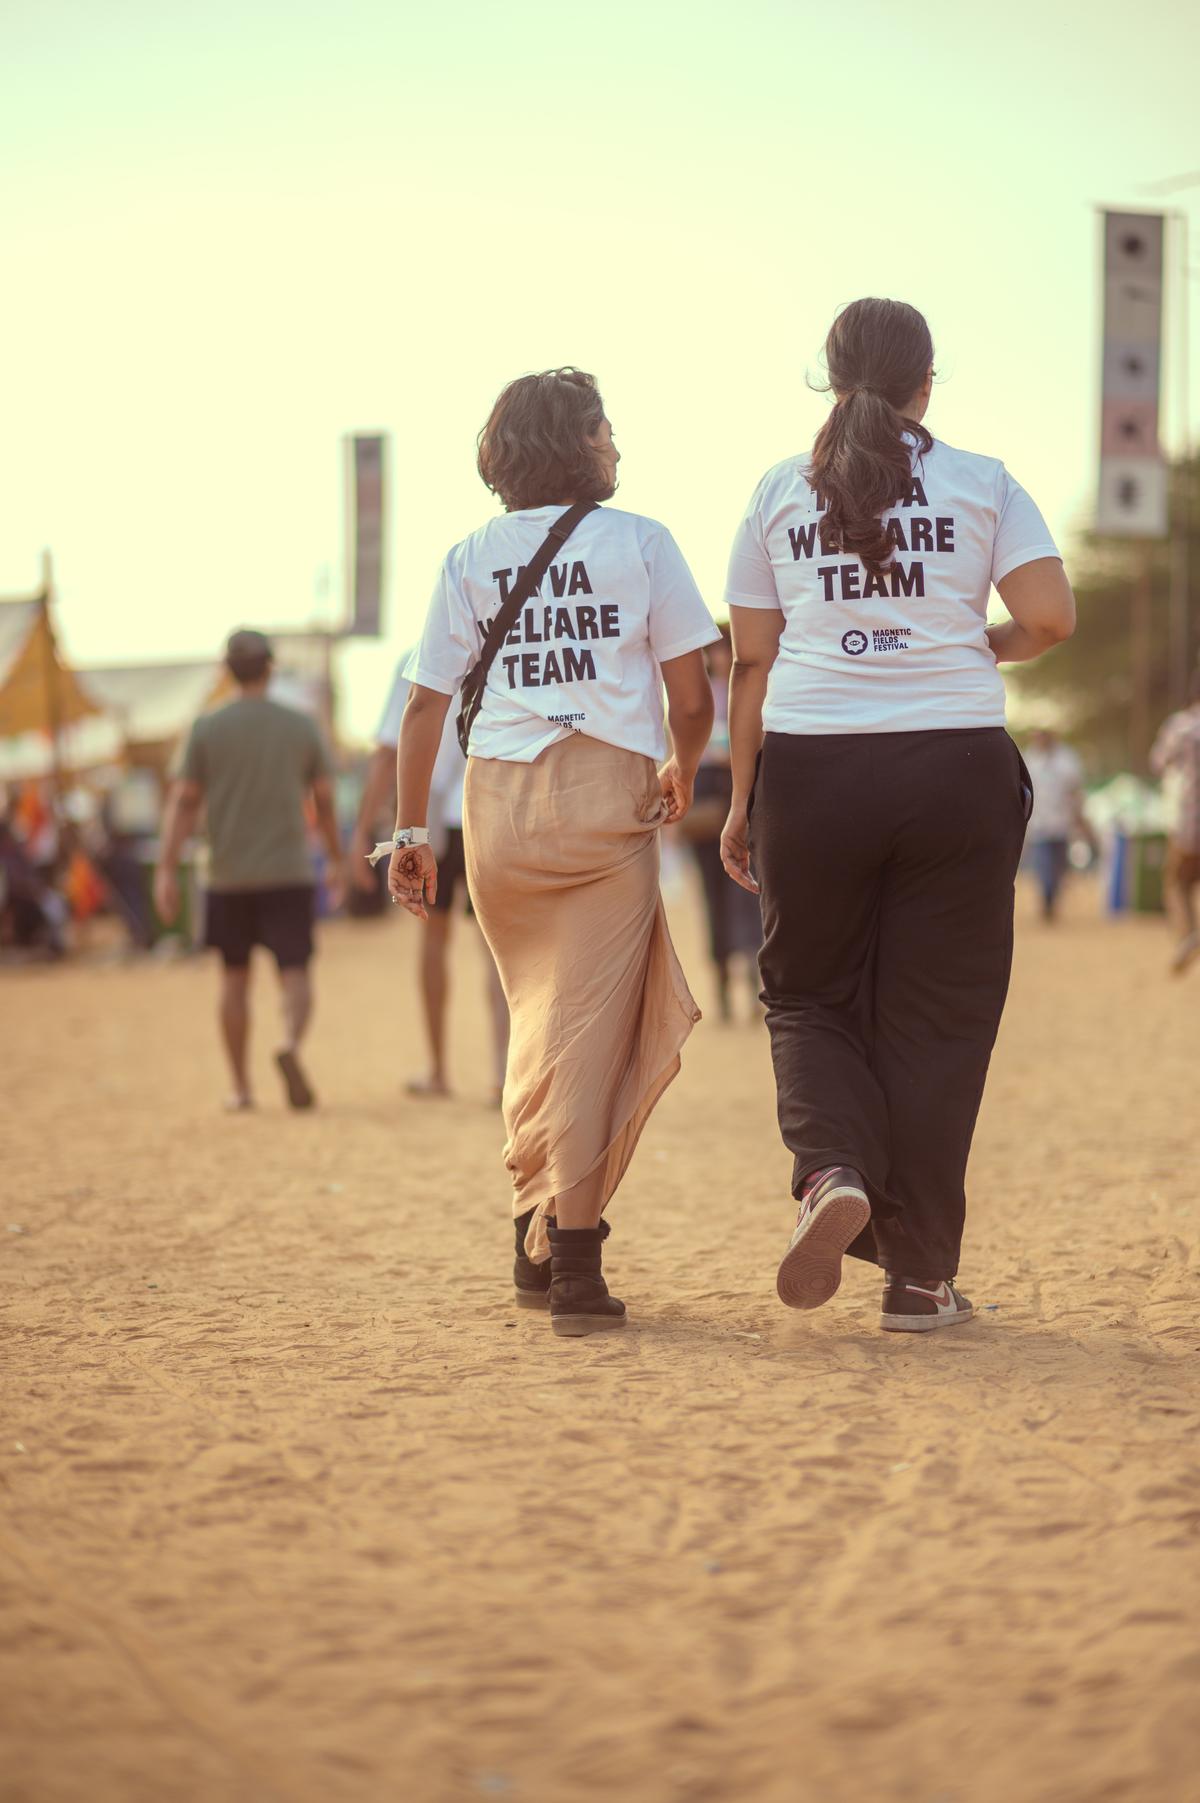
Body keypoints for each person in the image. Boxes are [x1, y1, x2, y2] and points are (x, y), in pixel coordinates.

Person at [720, 297, 1075, 1333]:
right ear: (929, 382)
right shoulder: (982, 482)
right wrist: (980, 646)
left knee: (807, 993)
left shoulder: (779, 493)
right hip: (955, 764)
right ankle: (919, 1281)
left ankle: (829, 1167)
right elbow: (1051, 616)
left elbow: (751, 659)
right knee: (940, 1020)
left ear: (831, 382)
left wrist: (743, 799)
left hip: (815, 767)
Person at [388, 367, 718, 1336]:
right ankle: (573, 1262)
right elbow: (692, 696)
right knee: (589, 1030)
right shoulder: (643, 543)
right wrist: (684, 767)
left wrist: (412, 834)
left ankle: (532, 1217)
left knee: (539, 1020)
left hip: (496, 811)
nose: (616, 444)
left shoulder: (467, 555)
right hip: (602, 805)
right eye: (604, 429)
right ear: (575, 445)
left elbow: (423, 706)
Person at [154, 629, 344, 1111]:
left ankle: (240, 1088)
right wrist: (337, 859)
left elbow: (183, 800)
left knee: (233, 979)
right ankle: (290, 1043)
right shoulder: (300, 726)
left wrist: (165, 866)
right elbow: (323, 800)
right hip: (288, 869)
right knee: (296, 971)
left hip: (227, 873)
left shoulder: (206, 727)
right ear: (270, 667)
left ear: (226, 671)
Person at [349, 655, 509, 1101]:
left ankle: (438, 1070)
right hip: (489, 809)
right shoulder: (502, 641)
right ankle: (502, 1075)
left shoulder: (419, 655)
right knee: (496, 948)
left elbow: (387, 751)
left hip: (431, 822)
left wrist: (363, 829)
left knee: (433, 939)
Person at [680, 627, 762, 1021]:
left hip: (741, 791)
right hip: (707, 799)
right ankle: (723, 990)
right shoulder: (701, 696)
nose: (719, 658)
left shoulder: (749, 690)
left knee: (750, 897)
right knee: (713, 900)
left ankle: (754, 987)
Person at [1150, 670, 1200, 974]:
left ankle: (1188, 935)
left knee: (1178, 883)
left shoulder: (1181, 727)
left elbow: (1158, 762)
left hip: (1189, 819)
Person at [1022, 727, 1085, 922]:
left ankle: (1053, 897)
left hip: (1061, 822)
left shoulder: (1067, 760)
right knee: (1043, 865)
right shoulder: (1029, 759)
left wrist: (1078, 816)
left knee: (1058, 866)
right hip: (1039, 823)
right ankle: (1047, 899)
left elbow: (1076, 791)